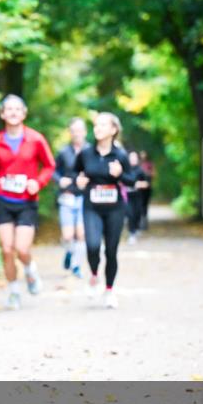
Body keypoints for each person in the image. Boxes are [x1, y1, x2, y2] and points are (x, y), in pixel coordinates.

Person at [0, 95, 55, 310]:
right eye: (8, 109)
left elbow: (49, 166)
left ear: (24, 113)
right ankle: (13, 292)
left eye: (17, 109)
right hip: (3, 200)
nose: (13, 113)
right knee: (6, 249)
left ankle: (30, 270)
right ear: (2, 114)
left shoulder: (36, 139)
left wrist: (38, 183)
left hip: (27, 202)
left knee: (22, 249)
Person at [75, 112, 137, 309]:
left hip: (115, 209)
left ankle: (109, 290)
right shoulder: (86, 153)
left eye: (103, 125)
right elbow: (74, 175)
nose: (98, 128)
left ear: (113, 130)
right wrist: (78, 182)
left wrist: (119, 175)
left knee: (111, 250)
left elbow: (132, 181)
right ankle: (94, 274)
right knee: (92, 246)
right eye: (96, 125)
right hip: (91, 206)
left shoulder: (120, 155)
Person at [53, 117, 88, 278]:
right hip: (67, 197)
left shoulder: (91, 151)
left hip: (84, 198)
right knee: (67, 236)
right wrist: (60, 180)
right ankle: (69, 252)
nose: (77, 133)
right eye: (74, 130)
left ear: (85, 132)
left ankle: (76, 266)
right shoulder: (63, 152)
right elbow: (52, 171)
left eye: (80, 130)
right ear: (70, 132)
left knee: (81, 234)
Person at [124, 150, 150, 244]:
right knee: (130, 214)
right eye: (131, 157)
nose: (132, 159)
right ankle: (132, 233)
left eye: (134, 158)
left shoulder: (140, 170)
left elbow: (147, 183)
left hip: (137, 196)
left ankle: (136, 228)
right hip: (127, 196)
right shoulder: (125, 170)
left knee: (137, 213)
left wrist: (138, 184)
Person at [139, 150, 155, 230]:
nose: (143, 155)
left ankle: (144, 222)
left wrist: (146, 173)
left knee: (145, 205)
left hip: (148, 188)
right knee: (139, 205)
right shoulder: (138, 164)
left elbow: (154, 174)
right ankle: (140, 222)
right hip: (139, 188)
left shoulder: (149, 164)